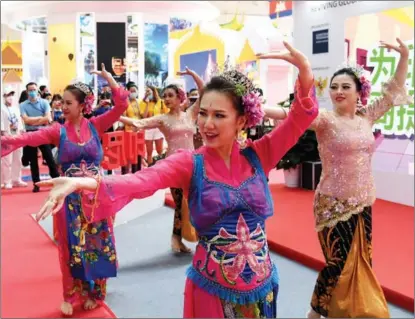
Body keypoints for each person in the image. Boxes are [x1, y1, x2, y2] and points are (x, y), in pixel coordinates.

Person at [33, 42, 318, 318]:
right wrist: (86, 183)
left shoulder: (261, 154)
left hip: (262, 289)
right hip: (213, 290)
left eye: (219, 115)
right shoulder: (190, 163)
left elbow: (299, 119)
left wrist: (305, 73)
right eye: (203, 113)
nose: (207, 124)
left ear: (242, 120)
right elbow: (142, 179)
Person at [1, 64, 129, 316]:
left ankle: (96, 292)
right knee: (71, 246)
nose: (62, 106)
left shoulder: (97, 125)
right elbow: (27, 138)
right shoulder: (57, 131)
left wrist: (110, 80)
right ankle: (71, 294)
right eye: (62, 102)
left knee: (98, 243)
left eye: (68, 102)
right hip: (69, 198)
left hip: (96, 196)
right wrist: (6, 141)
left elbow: (122, 105)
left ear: (82, 105)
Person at [306, 38, 411, 319]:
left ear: (358, 92)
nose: (338, 91)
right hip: (331, 203)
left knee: (362, 262)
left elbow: (392, 92)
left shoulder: (367, 117)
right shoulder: (325, 120)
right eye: (335, 86)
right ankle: (315, 311)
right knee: (338, 263)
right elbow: (292, 117)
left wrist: (404, 56)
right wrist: (247, 110)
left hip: (362, 201)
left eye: (345, 87)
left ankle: (355, 308)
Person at [120, 68, 204, 253]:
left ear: (180, 97)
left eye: (170, 95)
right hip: (173, 166)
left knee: (197, 201)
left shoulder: (190, 114)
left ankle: (195, 237)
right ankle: (177, 239)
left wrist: (192, 74)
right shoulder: (162, 119)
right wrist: (113, 115)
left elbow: (203, 92)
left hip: (193, 165)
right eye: (164, 96)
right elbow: (137, 123)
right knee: (179, 202)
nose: (166, 99)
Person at [19, 82, 60, 192]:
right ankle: (36, 184)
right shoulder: (23, 105)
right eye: (30, 90)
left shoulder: (45, 102)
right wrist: (39, 119)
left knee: (49, 158)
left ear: (37, 91)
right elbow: (26, 120)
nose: (32, 92)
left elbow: (47, 118)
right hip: (30, 134)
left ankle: (56, 180)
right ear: (27, 91)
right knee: (33, 161)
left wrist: (34, 120)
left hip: (43, 133)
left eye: (34, 89)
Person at [1, 87, 27, 189]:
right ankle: (6, 181)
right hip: (7, 136)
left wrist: (22, 131)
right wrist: (3, 134)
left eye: (11, 95)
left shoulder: (16, 108)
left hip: (17, 136)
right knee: (7, 160)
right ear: (4, 96)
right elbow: (1, 122)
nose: (10, 97)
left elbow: (20, 121)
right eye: (8, 95)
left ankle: (16, 179)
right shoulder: (1, 109)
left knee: (18, 159)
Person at [138, 85, 167, 165]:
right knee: (149, 151)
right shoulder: (142, 103)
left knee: (159, 150)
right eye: (146, 91)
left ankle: (161, 167)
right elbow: (144, 116)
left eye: (149, 91)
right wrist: (147, 103)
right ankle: (150, 167)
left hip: (158, 128)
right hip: (148, 128)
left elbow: (165, 114)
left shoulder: (160, 102)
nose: (148, 93)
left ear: (154, 92)